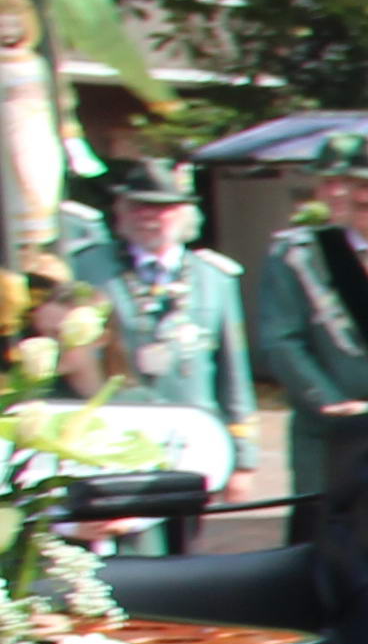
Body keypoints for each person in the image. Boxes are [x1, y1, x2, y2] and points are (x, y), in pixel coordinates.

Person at [253, 133, 368, 496]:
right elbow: (282, 340)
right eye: (356, 185)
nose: (364, 197)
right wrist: (332, 402)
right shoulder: (301, 256)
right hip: (327, 432)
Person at [68, 159, 246, 453]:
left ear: (185, 214)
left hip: (193, 437)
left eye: (161, 207)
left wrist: (242, 451)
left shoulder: (214, 279)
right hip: (113, 435)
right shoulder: (86, 270)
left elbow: (233, 372)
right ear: (120, 211)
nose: (147, 215)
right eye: (137, 206)